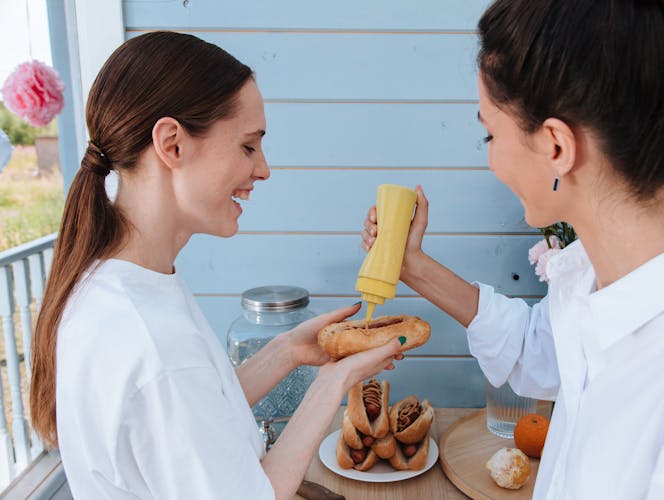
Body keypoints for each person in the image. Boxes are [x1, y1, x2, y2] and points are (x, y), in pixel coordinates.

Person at [362, 1, 664, 498]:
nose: (490, 159)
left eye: (490, 132)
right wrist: (412, 266)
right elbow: (540, 350)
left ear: (556, 147)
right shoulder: (601, 274)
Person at [30, 31, 403, 500]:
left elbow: (195, 415)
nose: (263, 169)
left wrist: (287, 350)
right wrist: (334, 382)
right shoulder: (151, 339)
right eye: (248, 146)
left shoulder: (119, 282)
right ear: (173, 144)